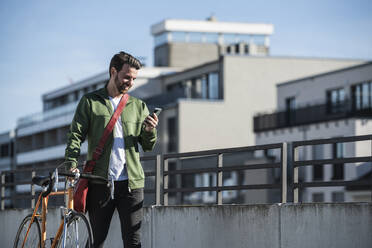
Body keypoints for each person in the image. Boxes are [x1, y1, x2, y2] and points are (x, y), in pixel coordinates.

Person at [64, 51, 158, 247]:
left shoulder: (138, 105)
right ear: (113, 71)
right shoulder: (90, 101)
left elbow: (147, 146)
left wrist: (149, 130)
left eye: (133, 78)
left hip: (132, 185)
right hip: (100, 182)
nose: (130, 82)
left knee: (133, 241)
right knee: (97, 240)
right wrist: (71, 164)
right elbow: (75, 135)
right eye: (126, 77)